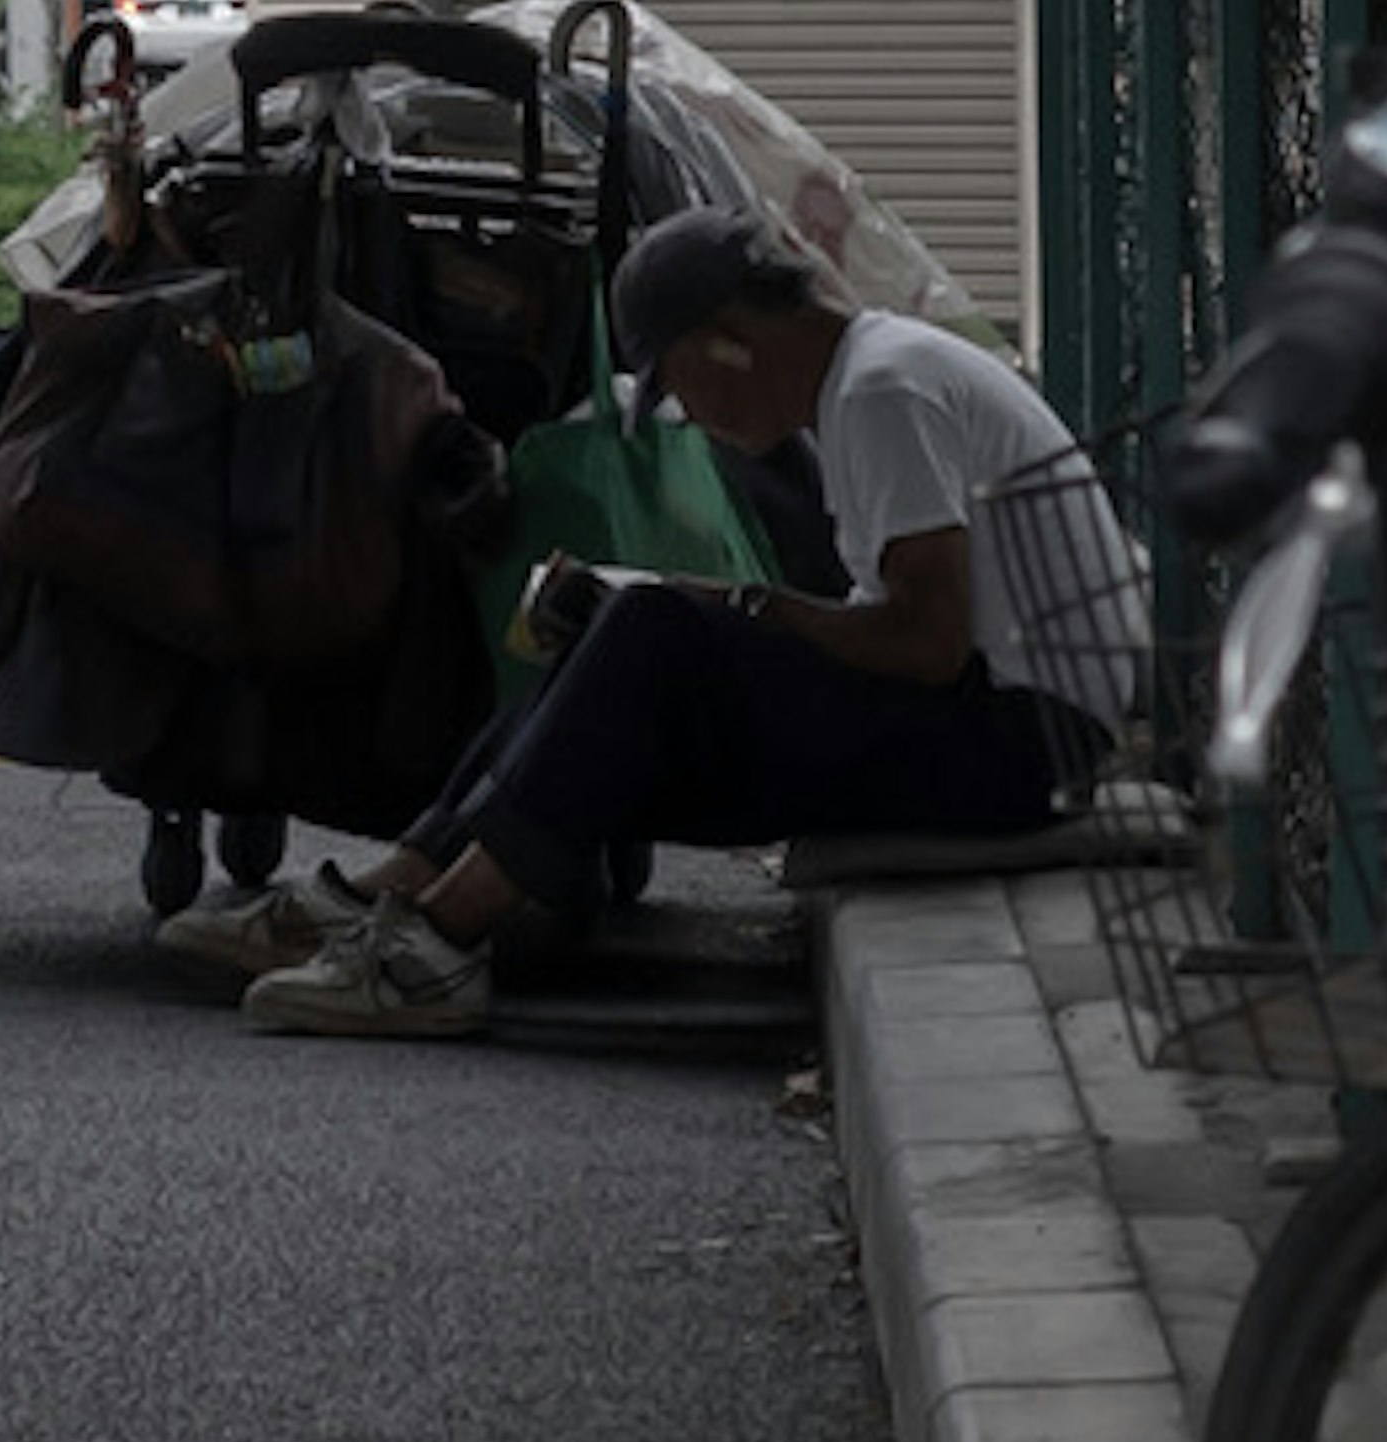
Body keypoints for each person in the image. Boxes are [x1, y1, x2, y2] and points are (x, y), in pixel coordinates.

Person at [155, 203, 1146, 1041]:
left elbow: (927, 645)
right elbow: (905, 631)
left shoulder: (884, 390)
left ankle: (437, 948)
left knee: (652, 632)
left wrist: (741, 609)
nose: (695, 417)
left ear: (728, 342)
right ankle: (393, 897)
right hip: (1002, 717)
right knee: (619, 624)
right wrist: (708, 609)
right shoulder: (873, 378)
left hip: (1020, 742)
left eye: (678, 385)